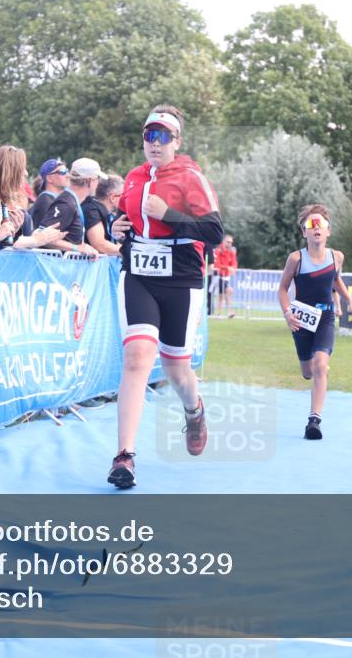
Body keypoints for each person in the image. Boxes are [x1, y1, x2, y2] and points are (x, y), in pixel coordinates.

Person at [106, 105, 224, 489]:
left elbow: (215, 232)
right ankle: (124, 456)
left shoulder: (191, 177)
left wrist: (170, 214)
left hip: (181, 279)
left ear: (176, 141)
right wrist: (116, 226)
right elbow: (124, 220)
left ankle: (194, 409)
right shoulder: (133, 177)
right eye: (148, 135)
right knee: (137, 356)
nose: (154, 143)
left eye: (162, 137)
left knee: (176, 370)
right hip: (138, 274)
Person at [277, 203, 352, 441]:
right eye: (311, 225)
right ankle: (312, 371)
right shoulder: (296, 259)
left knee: (320, 365)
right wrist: (287, 313)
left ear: (328, 231)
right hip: (302, 319)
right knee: (308, 371)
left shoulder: (336, 257)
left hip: (325, 317)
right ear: (304, 232)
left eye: (320, 224)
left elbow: (335, 279)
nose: (316, 228)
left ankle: (314, 420)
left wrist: (350, 301)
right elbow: (282, 289)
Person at [0, 146, 64, 250]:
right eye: (22, 168)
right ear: (9, 171)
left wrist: (43, 235)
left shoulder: (6, 203)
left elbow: (11, 241)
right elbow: (0, 245)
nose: (26, 173)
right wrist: (37, 239)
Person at [30, 158, 97, 256]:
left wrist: (84, 248)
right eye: (62, 172)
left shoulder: (66, 200)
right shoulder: (51, 200)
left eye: (67, 171)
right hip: (49, 262)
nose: (67, 175)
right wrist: (76, 248)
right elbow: (41, 236)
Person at [83, 173, 123, 256]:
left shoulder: (108, 213)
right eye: (123, 196)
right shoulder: (92, 210)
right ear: (113, 197)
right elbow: (100, 245)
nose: (125, 200)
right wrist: (128, 251)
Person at [213, 235, 238, 317]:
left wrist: (233, 268)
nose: (230, 244)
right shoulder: (218, 251)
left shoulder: (231, 251)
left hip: (226, 276)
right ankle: (227, 312)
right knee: (226, 292)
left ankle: (222, 313)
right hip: (218, 275)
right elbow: (217, 265)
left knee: (224, 294)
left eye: (231, 242)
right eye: (228, 242)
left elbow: (234, 263)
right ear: (223, 241)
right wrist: (227, 268)